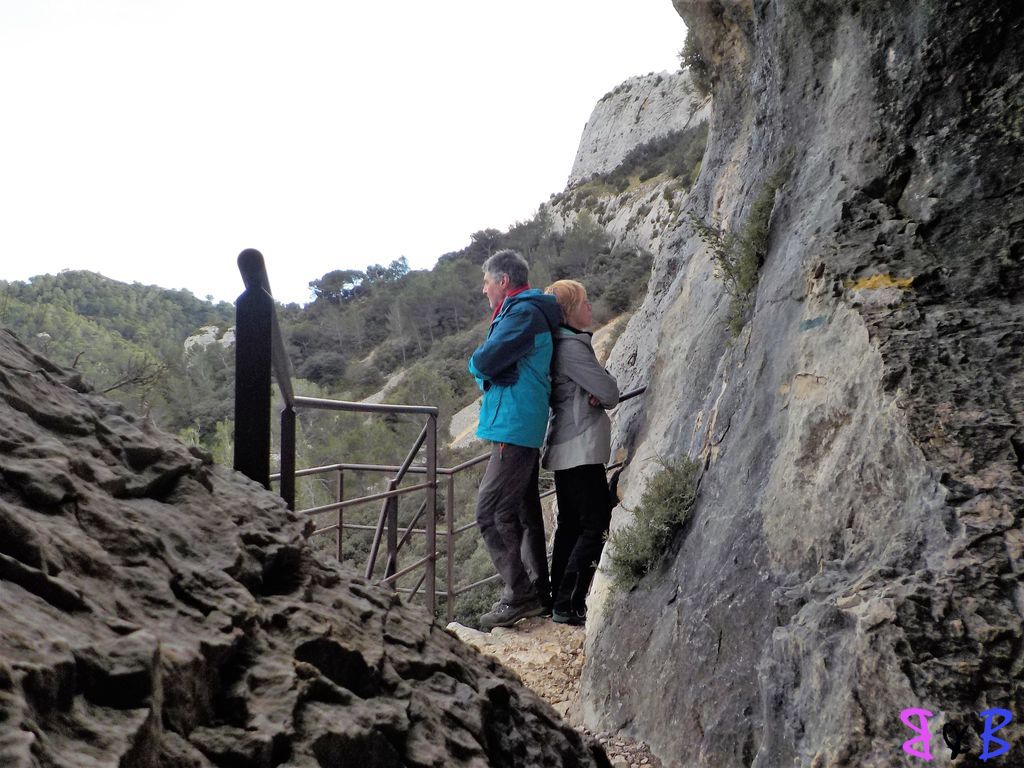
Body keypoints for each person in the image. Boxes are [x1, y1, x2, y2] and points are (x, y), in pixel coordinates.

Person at [468, 249, 562, 630]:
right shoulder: (521, 311)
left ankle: (519, 596)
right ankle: (537, 590)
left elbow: (482, 361)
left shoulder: (522, 313)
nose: (483, 288)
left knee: (490, 512)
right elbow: (486, 367)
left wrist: (485, 368)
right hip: (515, 421)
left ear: (503, 281)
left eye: (487, 281)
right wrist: (487, 370)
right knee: (523, 513)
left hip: (514, 424)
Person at [542, 279, 619, 626]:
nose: (590, 307)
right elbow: (609, 391)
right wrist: (599, 390)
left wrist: (595, 390)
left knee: (570, 526)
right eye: (585, 302)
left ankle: (558, 598)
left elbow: (596, 390)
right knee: (595, 523)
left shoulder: (558, 345)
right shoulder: (572, 347)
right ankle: (569, 603)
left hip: (565, 445)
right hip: (581, 447)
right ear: (570, 310)